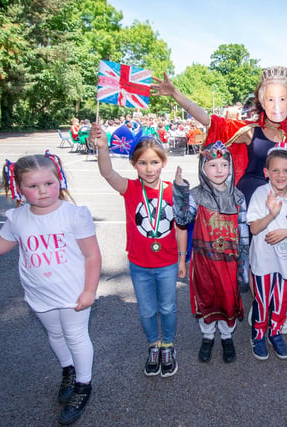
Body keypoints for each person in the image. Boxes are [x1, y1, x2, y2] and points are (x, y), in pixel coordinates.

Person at [0, 151, 101, 425]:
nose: (43, 191)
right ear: (18, 188)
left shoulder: (74, 215)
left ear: (59, 180)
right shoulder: (17, 218)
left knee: (75, 335)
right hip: (39, 292)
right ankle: (68, 370)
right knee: (56, 334)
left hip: (73, 292)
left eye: (49, 183)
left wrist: (89, 290)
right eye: (33, 186)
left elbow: (92, 255)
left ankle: (83, 384)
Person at [152, 66, 287, 284]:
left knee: (276, 250)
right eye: (270, 99)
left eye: (281, 98)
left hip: (280, 199)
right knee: (246, 251)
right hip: (249, 197)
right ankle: (248, 295)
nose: (276, 104)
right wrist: (176, 94)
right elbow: (210, 121)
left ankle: (275, 299)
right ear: (262, 100)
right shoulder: (249, 130)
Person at [90, 123, 187, 377]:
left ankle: (168, 345)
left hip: (166, 263)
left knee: (167, 307)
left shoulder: (172, 190)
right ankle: (153, 345)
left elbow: (180, 228)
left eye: (154, 162)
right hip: (140, 264)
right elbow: (107, 172)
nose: (149, 168)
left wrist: (181, 260)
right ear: (134, 165)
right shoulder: (130, 189)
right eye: (143, 163)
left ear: (163, 162)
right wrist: (102, 148)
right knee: (146, 310)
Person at [173, 141, 249, 363]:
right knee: (207, 298)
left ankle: (226, 337)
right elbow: (182, 219)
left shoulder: (238, 197)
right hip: (204, 262)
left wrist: (244, 262)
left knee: (227, 300)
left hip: (229, 262)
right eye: (213, 165)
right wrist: (180, 191)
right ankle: (207, 337)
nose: (219, 170)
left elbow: (243, 230)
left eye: (224, 164)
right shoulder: (196, 195)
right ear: (203, 169)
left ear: (231, 167)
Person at [246, 145, 287, 360]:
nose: (281, 175)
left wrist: (286, 232)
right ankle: (259, 335)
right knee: (262, 301)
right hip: (262, 262)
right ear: (266, 172)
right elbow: (253, 229)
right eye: (276, 171)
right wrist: (271, 215)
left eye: (286, 170)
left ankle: (275, 333)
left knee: (280, 302)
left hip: (283, 263)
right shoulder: (261, 194)